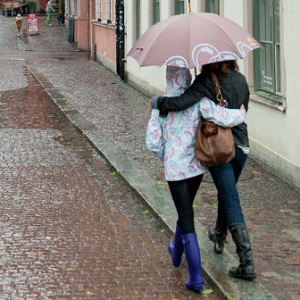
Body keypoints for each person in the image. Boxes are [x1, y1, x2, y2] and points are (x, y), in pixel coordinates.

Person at [150, 60, 256, 281]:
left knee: (229, 198)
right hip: (242, 146)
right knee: (227, 195)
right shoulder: (242, 79)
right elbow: (243, 107)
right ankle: (219, 234)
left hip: (220, 148)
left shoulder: (206, 81)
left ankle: (247, 263)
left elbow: (181, 103)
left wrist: (157, 102)